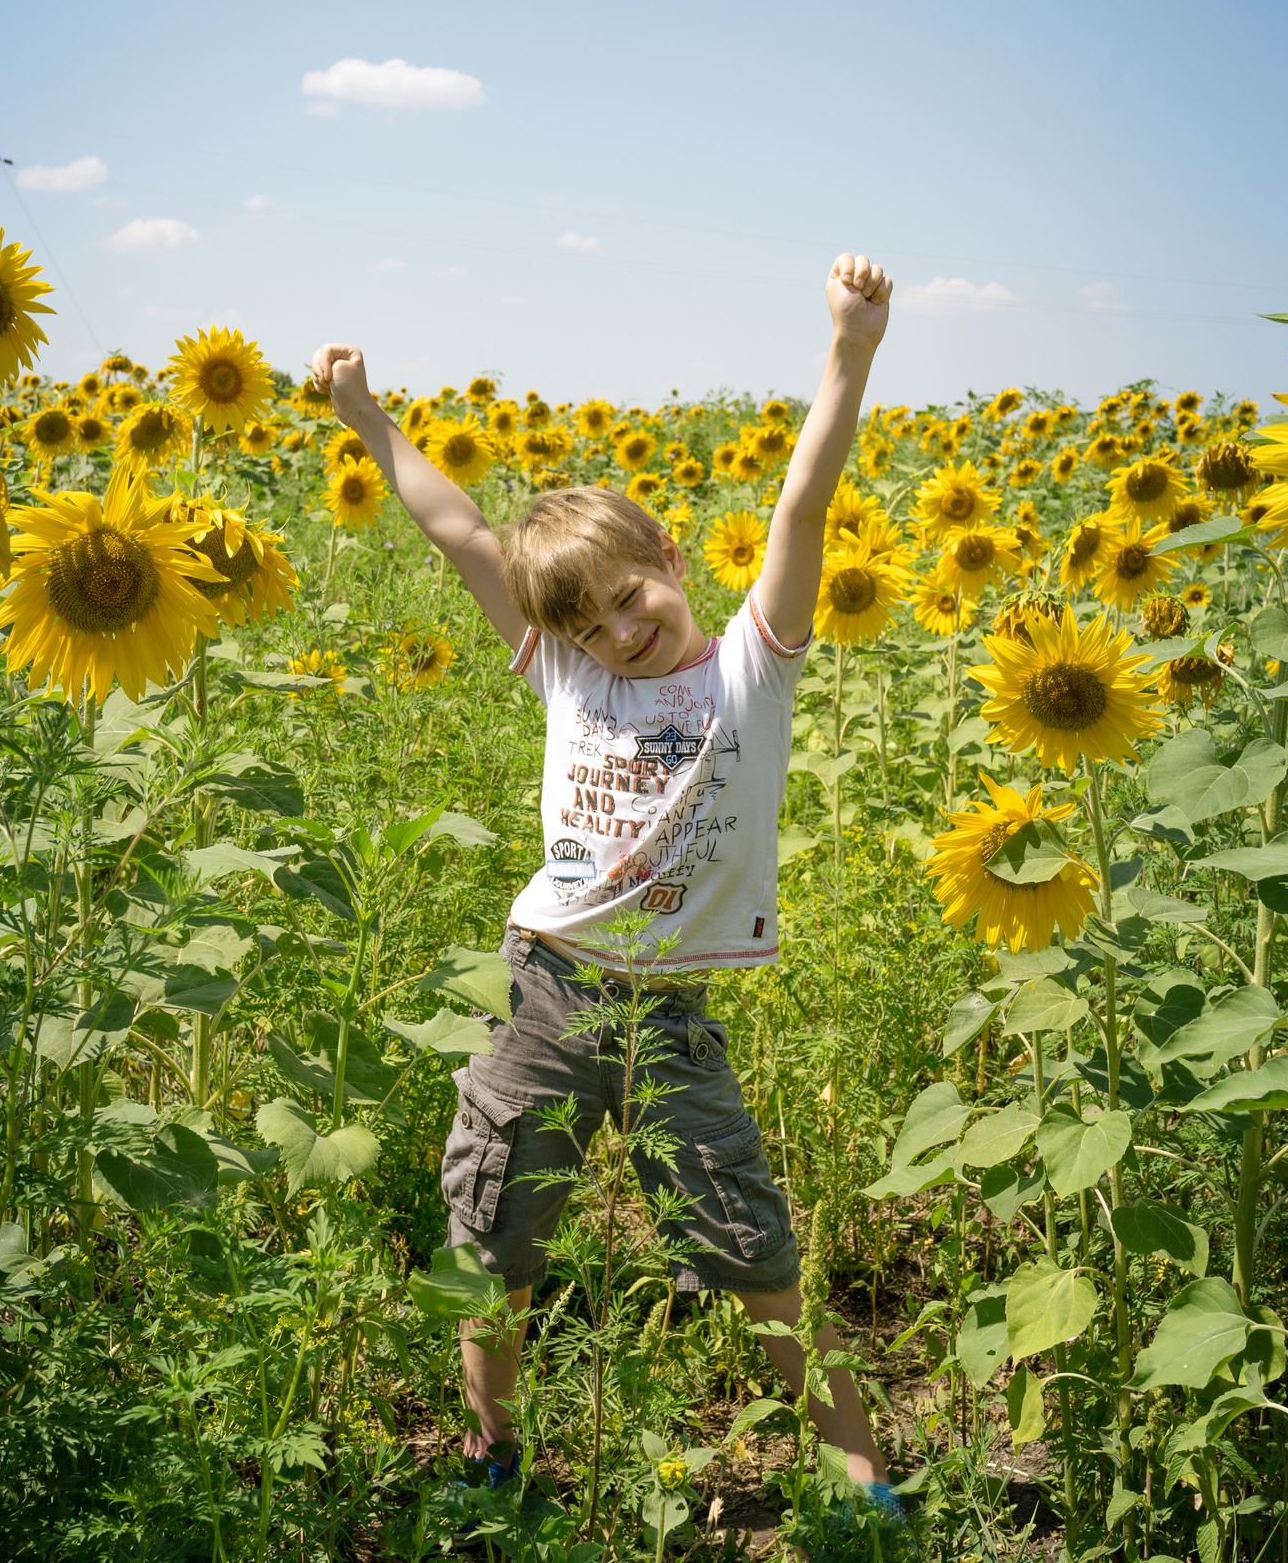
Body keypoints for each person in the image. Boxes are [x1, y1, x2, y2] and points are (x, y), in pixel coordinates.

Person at [309, 254, 899, 1517]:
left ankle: (861, 1486)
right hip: (545, 993)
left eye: (631, 601)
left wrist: (849, 348)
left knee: (753, 1248)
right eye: (590, 627)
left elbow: (801, 509)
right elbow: (460, 531)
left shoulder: (750, 669)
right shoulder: (567, 674)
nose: (622, 636)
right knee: (493, 1237)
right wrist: (368, 419)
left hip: (670, 1014)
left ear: (669, 560)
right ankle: (492, 1458)